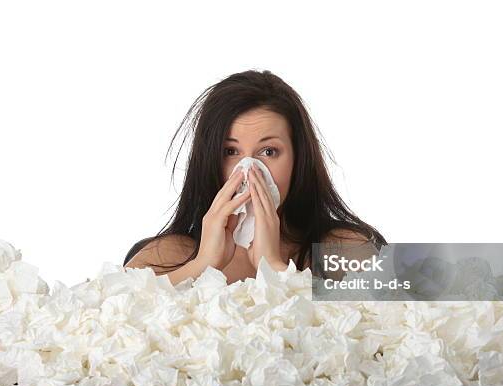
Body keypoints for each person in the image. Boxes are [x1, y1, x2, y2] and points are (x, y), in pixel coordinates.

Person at [123, 69, 386, 285]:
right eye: (231, 151)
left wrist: (274, 267)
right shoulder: (165, 255)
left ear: (298, 159)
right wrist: (201, 265)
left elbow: (421, 318)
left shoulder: (346, 249)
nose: (249, 171)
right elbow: (92, 318)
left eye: (269, 151)